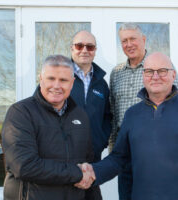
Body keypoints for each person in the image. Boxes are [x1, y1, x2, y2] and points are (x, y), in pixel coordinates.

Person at [77, 52, 178, 200]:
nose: (155, 76)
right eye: (149, 71)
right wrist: (93, 171)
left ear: (173, 75)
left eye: (162, 71)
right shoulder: (132, 115)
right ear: (143, 76)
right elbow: (119, 159)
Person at [1, 55, 99, 200]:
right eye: (51, 79)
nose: (57, 86)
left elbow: (88, 166)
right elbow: (24, 165)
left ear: (72, 83)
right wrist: (76, 173)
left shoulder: (81, 117)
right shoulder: (21, 112)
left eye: (63, 80)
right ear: (41, 79)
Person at [109, 22, 178, 200]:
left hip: (156, 146)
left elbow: (176, 104)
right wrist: (114, 150)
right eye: (124, 40)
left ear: (143, 39)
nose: (129, 44)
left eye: (132, 39)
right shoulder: (116, 73)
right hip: (125, 148)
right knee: (127, 194)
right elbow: (113, 113)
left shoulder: (161, 66)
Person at [70, 30, 112, 199]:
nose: (84, 50)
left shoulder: (101, 84)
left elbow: (107, 117)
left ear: (95, 50)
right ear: (72, 49)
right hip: (63, 160)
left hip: (92, 160)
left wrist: (100, 142)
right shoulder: (60, 77)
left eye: (90, 46)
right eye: (79, 46)